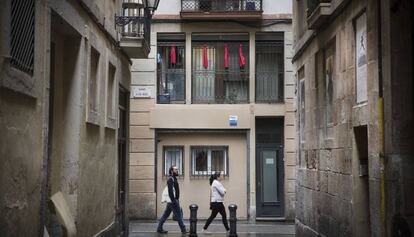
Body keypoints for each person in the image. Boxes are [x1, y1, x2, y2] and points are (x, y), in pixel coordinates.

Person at [157, 166, 188, 234]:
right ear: (171, 171)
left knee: (165, 215)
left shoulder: (174, 179)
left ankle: (159, 228)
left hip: (172, 201)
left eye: (177, 169)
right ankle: (184, 230)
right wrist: (174, 201)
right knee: (179, 215)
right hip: (173, 201)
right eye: (175, 169)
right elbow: (170, 191)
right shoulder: (170, 179)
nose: (177, 170)